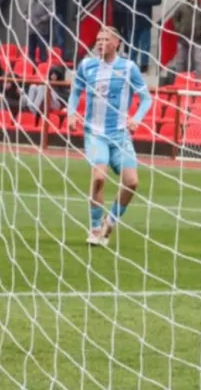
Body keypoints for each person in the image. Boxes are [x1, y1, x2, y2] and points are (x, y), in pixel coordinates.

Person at [66, 27, 151, 248]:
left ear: (117, 42)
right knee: (99, 178)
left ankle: (109, 222)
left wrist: (136, 119)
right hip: (95, 133)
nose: (100, 43)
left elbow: (146, 98)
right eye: (98, 39)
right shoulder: (87, 65)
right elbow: (75, 91)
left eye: (105, 39)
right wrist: (71, 113)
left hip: (120, 134)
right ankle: (95, 227)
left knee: (132, 182)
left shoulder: (128, 67)